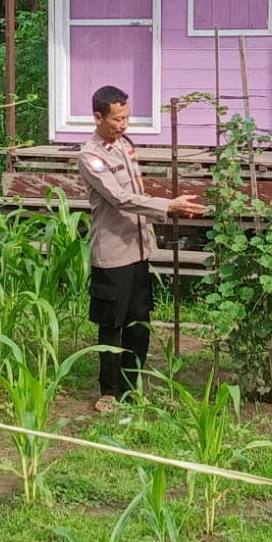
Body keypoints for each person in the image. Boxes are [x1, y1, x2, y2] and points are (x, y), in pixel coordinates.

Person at [77, 85, 207, 413]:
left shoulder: (126, 146)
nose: (123, 124)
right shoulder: (90, 156)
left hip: (138, 250)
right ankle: (109, 390)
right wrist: (168, 206)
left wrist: (170, 208)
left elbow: (138, 190)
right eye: (116, 119)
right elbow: (119, 198)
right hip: (113, 253)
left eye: (126, 117)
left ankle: (132, 386)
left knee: (139, 323)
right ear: (98, 117)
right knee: (112, 325)